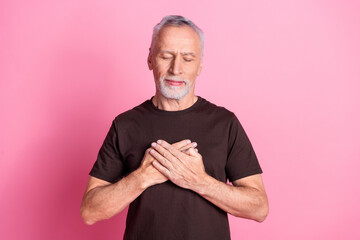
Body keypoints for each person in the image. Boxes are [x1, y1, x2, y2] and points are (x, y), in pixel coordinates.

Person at [80, 15, 269, 240]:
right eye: (166, 56)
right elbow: (90, 211)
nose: (176, 68)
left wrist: (199, 180)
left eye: (187, 58)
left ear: (200, 65)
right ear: (150, 59)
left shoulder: (225, 123)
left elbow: (259, 208)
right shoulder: (125, 125)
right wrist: (141, 177)